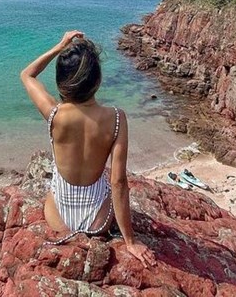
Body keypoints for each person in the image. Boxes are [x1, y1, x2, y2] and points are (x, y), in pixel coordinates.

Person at [20, 30, 156, 266]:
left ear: (61, 83)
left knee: (52, 190)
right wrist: (130, 242)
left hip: (58, 219)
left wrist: (58, 46)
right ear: (98, 80)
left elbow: (27, 75)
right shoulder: (116, 119)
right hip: (99, 222)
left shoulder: (54, 115)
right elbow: (118, 182)